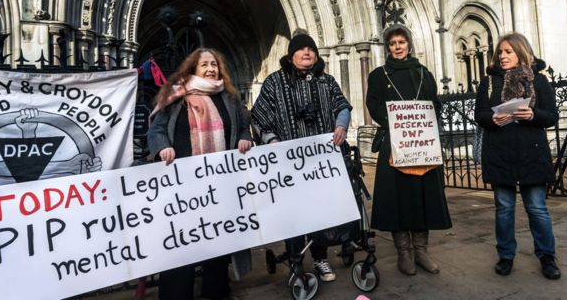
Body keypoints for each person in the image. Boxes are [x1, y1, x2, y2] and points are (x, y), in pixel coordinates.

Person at [147, 48, 253, 300]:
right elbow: (156, 130)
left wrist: (244, 139)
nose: (211, 69)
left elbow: (243, 128)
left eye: (215, 64)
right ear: (193, 68)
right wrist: (162, 147)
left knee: (217, 241)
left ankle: (216, 292)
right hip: (182, 189)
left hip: (220, 185)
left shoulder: (229, 98)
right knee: (181, 243)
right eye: (205, 64)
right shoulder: (177, 95)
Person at [251, 32, 352, 282]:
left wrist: (341, 126)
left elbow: (342, 106)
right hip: (289, 165)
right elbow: (259, 117)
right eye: (301, 49)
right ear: (291, 54)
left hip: (321, 165)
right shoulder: (275, 82)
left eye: (311, 49)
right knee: (294, 213)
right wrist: (271, 141)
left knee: (322, 212)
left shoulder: (326, 82)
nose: (307, 53)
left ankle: (320, 258)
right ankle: (296, 261)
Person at [366, 24, 452, 276]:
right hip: (395, 144)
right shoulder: (379, 75)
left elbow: (434, 103)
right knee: (399, 199)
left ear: (409, 44)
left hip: (421, 144)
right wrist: (395, 122)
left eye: (401, 42)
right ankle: (404, 253)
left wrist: (423, 119)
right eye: (392, 44)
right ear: (388, 48)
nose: (397, 47)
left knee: (421, 197)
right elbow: (374, 104)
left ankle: (421, 251)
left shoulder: (423, 73)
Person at [474, 32, 561, 280]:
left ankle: (547, 256)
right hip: (499, 152)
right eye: (500, 52)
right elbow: (479, 114)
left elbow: (551, 116)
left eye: (508, 52)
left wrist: (533, 115)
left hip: (531, 153)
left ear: (521, 52)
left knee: (537, 208)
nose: (502, 56)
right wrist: (492, 118)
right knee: (504, 208)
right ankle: (506, 256)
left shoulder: (539, 81)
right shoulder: (488, 82)